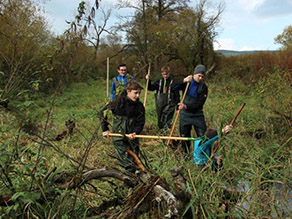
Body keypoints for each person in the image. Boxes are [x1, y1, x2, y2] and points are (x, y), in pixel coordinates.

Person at [100, 81, 145, 173]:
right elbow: (103, 113)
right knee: (123, 156)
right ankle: (132, 173)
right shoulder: (118, 102)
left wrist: (135, 132)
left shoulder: (139, 106)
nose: (137, 96)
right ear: (128, 91)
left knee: (135, 155)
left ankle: (137, 173)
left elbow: (140, 122)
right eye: (135, 93)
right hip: (119, 133)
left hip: (132, 135)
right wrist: (105, 129)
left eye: (139, 93)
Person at [177, 64, 208, 155]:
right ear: (194, 74)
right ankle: (185, 156)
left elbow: (199, 104)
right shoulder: (187, 83)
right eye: (199, 75)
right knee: (184, 137)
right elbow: (173, 87)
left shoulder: (203, 87)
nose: (200, 78)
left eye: (202, 76)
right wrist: (183, 80)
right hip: (185, 116)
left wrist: (186, 106)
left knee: (202, 137)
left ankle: (200, 156)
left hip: (197, 115)